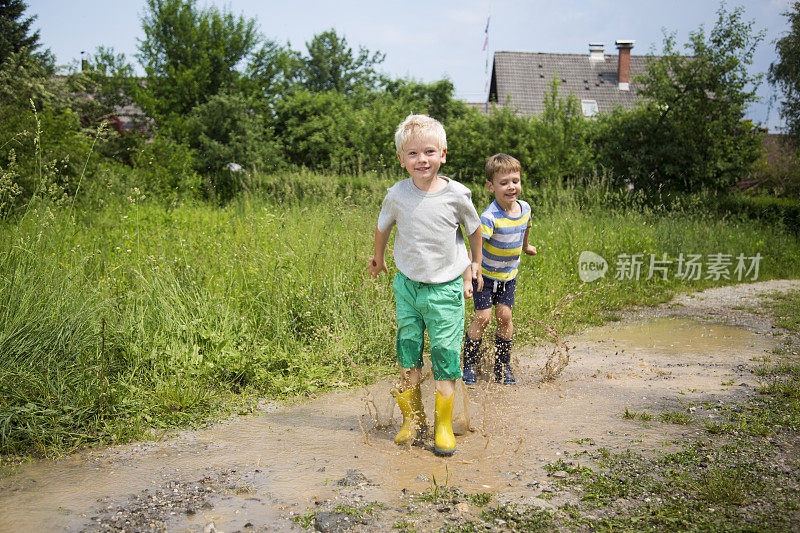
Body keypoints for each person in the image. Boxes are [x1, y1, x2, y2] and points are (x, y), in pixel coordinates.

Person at [368, 114, 483, 455]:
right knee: (408, 351)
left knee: (446, 355)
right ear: (401, 159)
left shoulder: (457, 194)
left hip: (446, 290)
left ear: (443, 154)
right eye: (413, 154)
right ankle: (412, 420)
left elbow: (474, 229)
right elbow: (382, 227)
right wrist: (379, 258)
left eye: (429, 152)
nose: (422, 160)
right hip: (407, 287)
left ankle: (443, 426)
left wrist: (475, 263)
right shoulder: (397, 194)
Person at [462, 153, 537, 386]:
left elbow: (526, 227)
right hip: (484, 276)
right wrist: (470, 275)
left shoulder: (525, 208)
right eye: (503, 183)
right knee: (483, 318)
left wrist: (525, 246)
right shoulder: (489, 217)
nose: (511, 187)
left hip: (508, 276)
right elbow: (476, 247)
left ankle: (502, 365)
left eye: (515, 181)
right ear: (490, 187)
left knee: (505, 316)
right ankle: (468, 364)